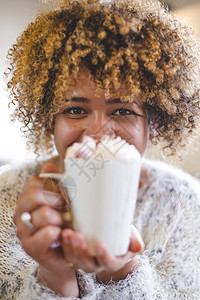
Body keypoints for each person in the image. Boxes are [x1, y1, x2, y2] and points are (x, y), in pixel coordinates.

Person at [1, 0, 200, 298]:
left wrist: (122, 271)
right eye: (75, 110)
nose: (95, 133)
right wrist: (54, 275)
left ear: (153, 124)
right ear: (49, 119)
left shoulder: (186, 205)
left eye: (122, 111)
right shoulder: (8, 195)